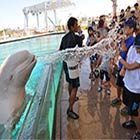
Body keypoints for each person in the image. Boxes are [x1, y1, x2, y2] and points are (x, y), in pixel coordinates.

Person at [59, 17, 84, 119]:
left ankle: (71, 98)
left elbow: (61, 51)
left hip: (65, 64)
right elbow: (81, 44)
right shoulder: (74, 37)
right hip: (72, 66)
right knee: (75, 86)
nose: (77, 26)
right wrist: (80, 33)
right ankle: (70, 109)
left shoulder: (64, 38)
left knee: (70, 83)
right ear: (72, 26)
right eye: (76, 24)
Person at [111, 18, 136, 112]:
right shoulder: (125, 38)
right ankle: (118, 98)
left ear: (132, 29)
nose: (124, 29)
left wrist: (124, 69)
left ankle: (128, 105)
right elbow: (120, 49)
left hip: (126, 68)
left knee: (127, 88)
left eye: (126, 27)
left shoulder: (133, 40)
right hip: (121, 65)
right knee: (119, 84)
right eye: (124, 27)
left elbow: (128, 53)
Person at [118, 33, 140, 140]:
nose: (137, 50)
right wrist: (123, 69)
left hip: (136, 88)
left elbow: (131, 66)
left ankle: (139, 132)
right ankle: (132, 121)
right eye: (136, 46)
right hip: (128, 83)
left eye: (138, 48)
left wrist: (119, 59)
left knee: (135, 111)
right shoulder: (132, 47)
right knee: (129, 106)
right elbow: (127, 57)